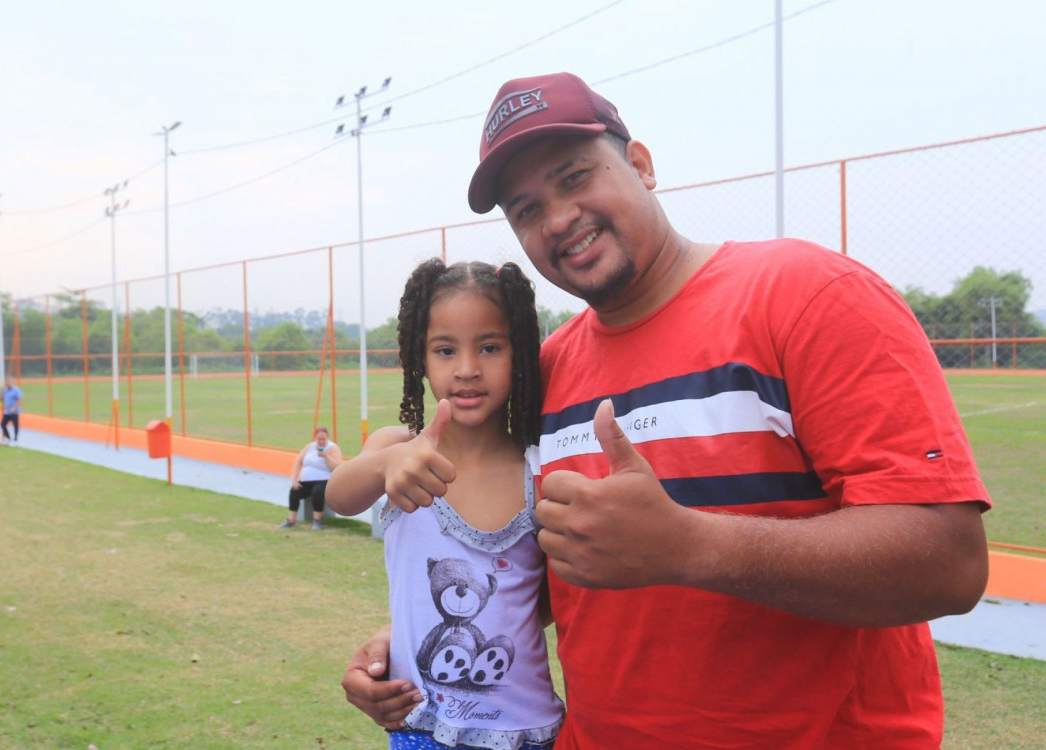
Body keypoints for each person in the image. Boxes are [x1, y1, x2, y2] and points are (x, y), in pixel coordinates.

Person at [342, 72, 991, 748]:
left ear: (642, 166)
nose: (558, 218)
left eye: (573, 178)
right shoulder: (547, 372)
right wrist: (425, 639)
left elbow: (949, 563)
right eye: (526, 209)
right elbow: (559, 577)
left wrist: (692, 546)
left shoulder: (806, 295)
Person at [327, 259, 565, 750]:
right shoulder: (397, 447)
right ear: (421, 359)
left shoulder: (539, 470)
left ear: (519, 355)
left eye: (490, 347)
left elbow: (534, 604)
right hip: (421, 728)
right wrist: (386, 464)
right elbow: (339, 496)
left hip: (528, 733)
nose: (467, 369)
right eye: (445, 349)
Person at [279, 425, 344, 530]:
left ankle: (317, 520)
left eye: (323, 439)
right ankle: (291, 520)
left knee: (317, 492)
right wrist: (294, 479)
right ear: (315, 438)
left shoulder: (333, 448)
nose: (321, 441)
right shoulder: (310, 447)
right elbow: (298, 461)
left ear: (327, 438)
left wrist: (326, 457)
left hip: (324, 479)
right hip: (307, 480)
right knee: (294, 491)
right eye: (319, 439)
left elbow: (337, 467)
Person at [0, 380, 22, 445]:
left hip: (14, 411)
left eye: (8, 383)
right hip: (7, 412)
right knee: (3, 424)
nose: (7, 384)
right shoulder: (5, 390)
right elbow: (1, 399)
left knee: (15, 425)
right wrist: (1, 392)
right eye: (6, 383)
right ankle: (8, 438)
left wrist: (14, 408)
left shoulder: (16, 390)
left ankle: (15, 439)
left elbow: (19, 400)